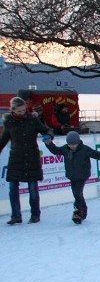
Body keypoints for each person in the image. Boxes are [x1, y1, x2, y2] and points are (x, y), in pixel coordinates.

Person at [1, 96, 53, 225]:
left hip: (31, 159)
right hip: (16, 159)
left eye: (24, 110)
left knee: (33, 188)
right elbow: (3, 140)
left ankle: (35, 214)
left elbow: (46, 130)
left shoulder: (32, 120)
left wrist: (49, 136)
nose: (22, 113)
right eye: (19, 111)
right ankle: (16, 216)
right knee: (13, 188)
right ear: (12, 110)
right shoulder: (9, 123)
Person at [43, 131, 100, 224]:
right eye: (70, 144)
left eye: (74, 144)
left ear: (78, 142)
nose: (72, 146)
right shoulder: (65, 149)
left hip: (82, 175)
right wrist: (49, 144)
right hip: (72, 176)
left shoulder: (84, 149)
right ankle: (83, 210)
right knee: (77, 194)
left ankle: (78, 211)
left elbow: (96, 154)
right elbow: (55, 150)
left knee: (77, 193)